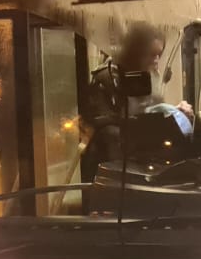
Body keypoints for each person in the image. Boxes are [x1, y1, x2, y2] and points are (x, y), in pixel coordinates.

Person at [79, 22, 192, 177]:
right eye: (151, 54)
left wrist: (174, 114)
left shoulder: (147, 77)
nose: (156, 60)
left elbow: (151, 110)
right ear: (136, 52)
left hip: (144, 164)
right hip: (111, 166)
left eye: (159, 54)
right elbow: (105, 129)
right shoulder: (108, 78)